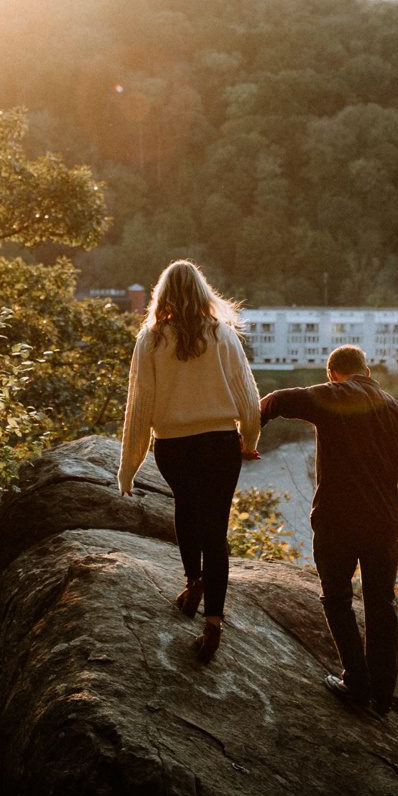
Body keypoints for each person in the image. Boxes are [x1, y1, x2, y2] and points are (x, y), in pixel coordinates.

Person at [260, 344, 398, 717]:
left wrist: (246, 438)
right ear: (366, 371)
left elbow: (273, 401)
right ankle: (382, 696)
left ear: (332, 373)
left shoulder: (331, 395)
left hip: (336, 519)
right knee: (380, 605)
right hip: (383, 523)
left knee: (336, 599)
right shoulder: (396, 411)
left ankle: (356, 681)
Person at [119, 259, 263, 664]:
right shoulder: (222, 335)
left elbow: (139, 406)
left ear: (160, 294)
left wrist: (128, 467)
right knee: (216, 529)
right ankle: (214, 622)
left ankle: (193, 582)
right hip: (219, 443)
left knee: (185, 507)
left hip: (174, 445)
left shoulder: (149, 340)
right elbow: (248, 398)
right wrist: (248, 439)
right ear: (203, 292)